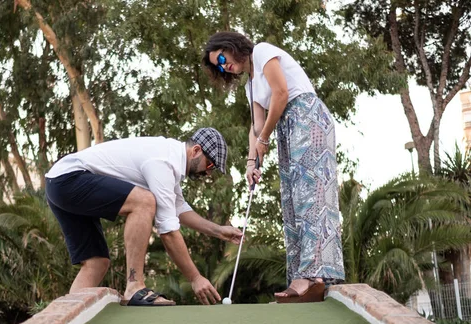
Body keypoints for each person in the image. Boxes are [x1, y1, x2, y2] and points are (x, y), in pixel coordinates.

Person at [202, 32, 345, 303]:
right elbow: (256, 128)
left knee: (310, 196)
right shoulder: (251, 86)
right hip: (285, 128)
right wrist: (251, 163)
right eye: (218, 66)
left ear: (231, 47)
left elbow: (281, 93)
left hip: (307, 117)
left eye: (222, 58)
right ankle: (302, 276)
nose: (224, 66)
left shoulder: (263, 51)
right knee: (292, 199)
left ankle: (315, 276)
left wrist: (265, 138)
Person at [45, 128, 242, 306]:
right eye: (209, 165)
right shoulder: (163, 162)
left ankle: (67, 315)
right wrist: (195, 278)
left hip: (58, 182)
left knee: (97, 262)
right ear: (196, 150)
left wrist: (218, 230)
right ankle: (134, 287)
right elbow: (168, 231)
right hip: (69, 178)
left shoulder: (170, 160)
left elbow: (178, 208)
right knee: (144, 201)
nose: (208, 173)